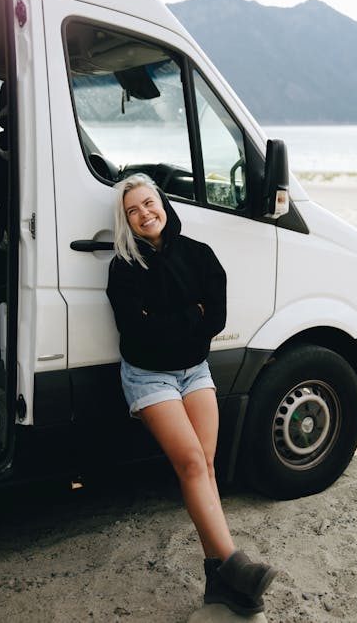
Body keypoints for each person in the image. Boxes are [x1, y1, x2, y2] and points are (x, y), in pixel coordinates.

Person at [106, 173, 277, 617]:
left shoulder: (200, 255)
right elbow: (137, 333)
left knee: (204, 467)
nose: (145, 214)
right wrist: (189, 316)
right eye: (133, 211)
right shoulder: (124, 268)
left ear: (162, 201)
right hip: (148, 377)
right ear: (126, 221)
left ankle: (220, 582)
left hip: (195, 371)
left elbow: (215, 317)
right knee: (189, 463)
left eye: (149, 203)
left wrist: (168, 320)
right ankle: (235, 564)